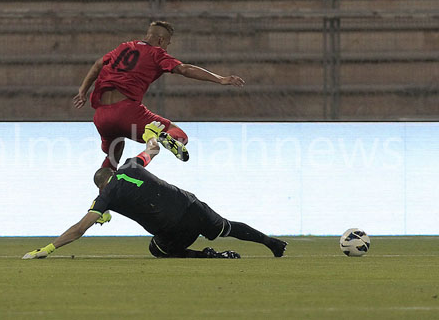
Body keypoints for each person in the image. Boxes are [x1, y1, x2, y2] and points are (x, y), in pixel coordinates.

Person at [23, 122, 287, 260]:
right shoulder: (130, 165)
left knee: (157, 250)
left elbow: (80, 229)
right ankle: (272, 243)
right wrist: (151, 134)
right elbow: (152, 150)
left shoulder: (106, 196)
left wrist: (48, 248)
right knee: (227, 227)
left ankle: (208, 256)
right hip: (191, 205)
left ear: (101, 184)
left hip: (173, 229)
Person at [72, 20, 245, 170]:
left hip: (101, 116)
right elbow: (185, 69)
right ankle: (141, 158)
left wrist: (82, 91)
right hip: (126, 111)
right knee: (178, 135)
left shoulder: (123, 47)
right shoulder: (157, 53)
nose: (166, 47)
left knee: (112, 156)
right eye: (167, 43)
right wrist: (221, 79)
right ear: (162, 40)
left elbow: (97, 65)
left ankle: (102, 204)